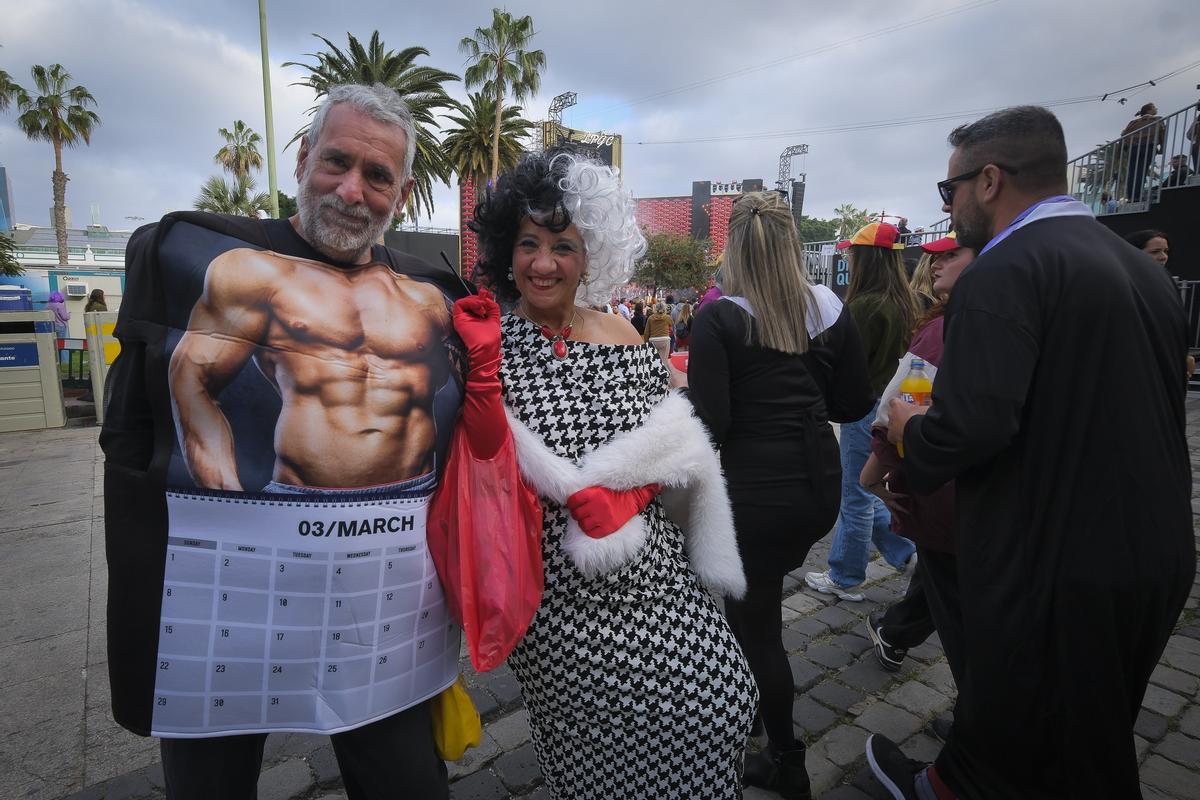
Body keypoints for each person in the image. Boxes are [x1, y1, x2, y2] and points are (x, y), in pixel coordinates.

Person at [100, 83, 471, 800]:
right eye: (336, 162)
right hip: (260, 548)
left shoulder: (433, 296)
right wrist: (218, 504)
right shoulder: (244, 269)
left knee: (404, 782)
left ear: (404, 190)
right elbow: (188, 384)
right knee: (212, 777)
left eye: (377, 175)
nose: (351, 190)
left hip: (385, 580)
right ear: (303, 158)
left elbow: (475, 417)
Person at [868, 105, 1194, 800]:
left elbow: (971, 429)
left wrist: (906, 427)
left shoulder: (1006, 269)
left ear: (989, 181)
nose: (948, 208)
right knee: (1078, 726)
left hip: (1059, 558)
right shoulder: (1143, 270)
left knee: (1077, 752)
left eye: (947, 191)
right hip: (1152, 549)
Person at [468, 148, 757, 800]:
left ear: (591, 254)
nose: (544, 262)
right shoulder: (490, 345)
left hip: (652, 572)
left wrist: (635, 494)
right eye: (528, 243)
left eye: (564, 245)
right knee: (596, 741)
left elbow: (679, 442)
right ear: (504, 252)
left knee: (722, 699)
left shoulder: (619, 333)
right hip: (551, 589)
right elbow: (480, 469)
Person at [689, 191, 874, 799]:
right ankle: (751, 720)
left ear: (734, 247)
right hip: (817, 483)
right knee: (757, 615)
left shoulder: (720, 317)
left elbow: (711, 423)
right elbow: (853, 403)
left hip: (754, 493)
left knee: (755, 625)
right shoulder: (827, 306)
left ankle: (786, 759)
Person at [858, 234, 974, 683]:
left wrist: (871, 478)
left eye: (953, 254)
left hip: (941, 486)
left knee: (956, 602)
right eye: (936, 255)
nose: (938, 262)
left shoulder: (945, 329)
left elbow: (898, 412)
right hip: (973, 491)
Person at [805, 222, 918, 602]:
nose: (848, 260)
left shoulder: (866, 305)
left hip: (863, 409)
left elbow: (847, 366)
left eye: (852, 254)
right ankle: (905, 553)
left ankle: (845, 576)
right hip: (892, 407)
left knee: (855, 496)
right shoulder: (907, 301)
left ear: (865, 259)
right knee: (870, 492)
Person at [1120, 102, 1165, 203]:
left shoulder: (1133, 122)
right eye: (1154, 107)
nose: (1156, 109)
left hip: (1133, 148)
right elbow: (1162, 133)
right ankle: (1137, 196)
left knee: (1132, 172)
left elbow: (1124, 134)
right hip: (1148, 147)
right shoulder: (1157, 120)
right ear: (1149, 110)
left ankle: (1131, 196)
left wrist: (1125, 147)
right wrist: (1162, 147)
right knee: (1142, 171)